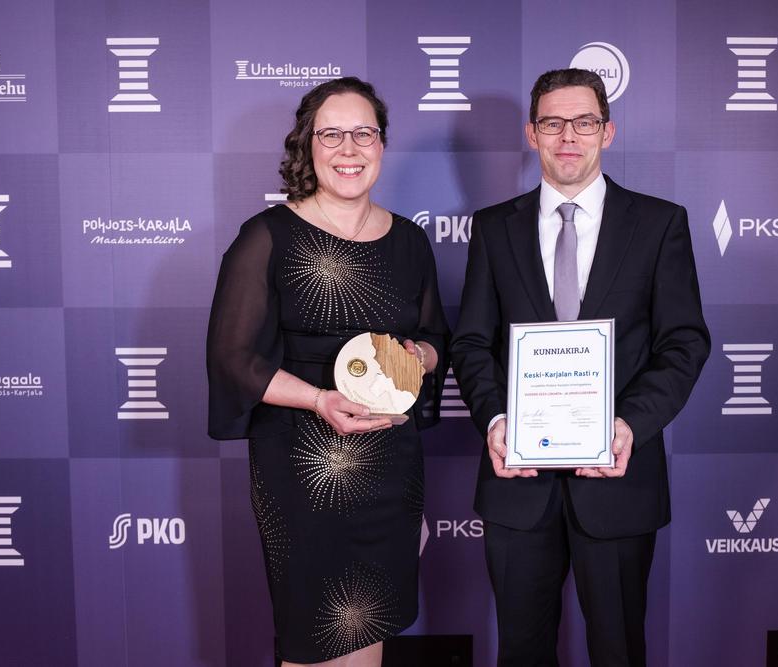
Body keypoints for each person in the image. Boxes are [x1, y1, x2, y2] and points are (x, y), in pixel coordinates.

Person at [450, 69, 710, 666]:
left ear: (607, 132)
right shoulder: (493, 228)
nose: (568, 136)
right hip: (517, 485)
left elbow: (684, 343)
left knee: (618, 651)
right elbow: (471, 344)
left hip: (618, 482)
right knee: (521, 652)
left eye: (584, 122)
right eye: (553, 123)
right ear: (532, 133)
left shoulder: (659, 224)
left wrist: (629, 425)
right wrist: (497, 422)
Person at [207, 77, 449, 667]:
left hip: (390, 464)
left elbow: (435, 339)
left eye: (363, 133)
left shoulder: (410, 241)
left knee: (368, 625)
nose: (349, 148)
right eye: (332, 134)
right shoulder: (268, 236)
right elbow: (233, 357)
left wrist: (416, 358)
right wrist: (319, 400)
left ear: (382, 144)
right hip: (303, 465)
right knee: (312, 635)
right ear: (307, 145)